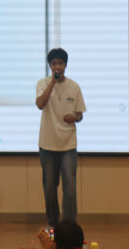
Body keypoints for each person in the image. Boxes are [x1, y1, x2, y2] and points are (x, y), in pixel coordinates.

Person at [36, 48, 87, 227]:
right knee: (50, 188)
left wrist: (75, 118)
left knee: (70, 187)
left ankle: (69, 226)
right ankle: (53, 224)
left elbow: (80, 114)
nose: (57, 66)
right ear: (50, 66)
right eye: (54, 63)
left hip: (68, 145)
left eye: (60, 63)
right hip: (47, 144)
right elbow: (40, 104)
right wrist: (52, 83)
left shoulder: (74, 87)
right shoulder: (43, 84)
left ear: (65, 65)